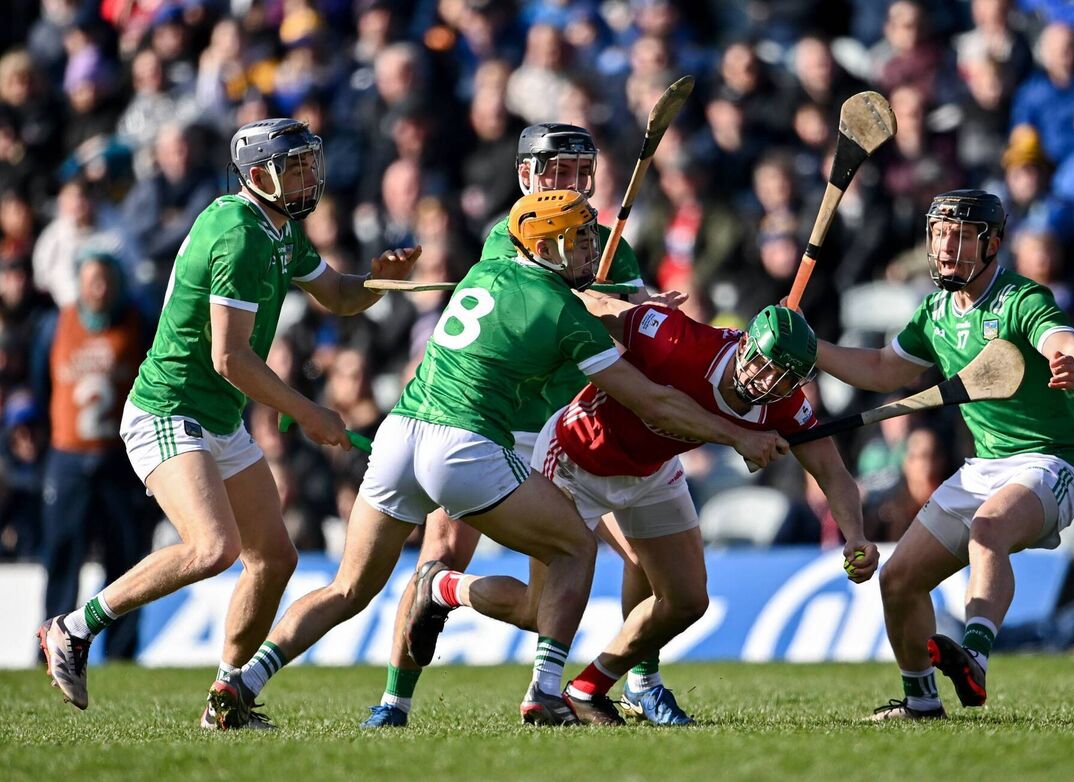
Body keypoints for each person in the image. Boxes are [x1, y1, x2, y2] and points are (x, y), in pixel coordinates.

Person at [229, 189, 789, 729]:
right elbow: (652, 399)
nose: (590, 249)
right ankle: (545, 693)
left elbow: (558, 299)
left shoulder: (485, 266)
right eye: (577, 240)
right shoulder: (565, 313)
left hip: (401, 433)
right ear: (544, 248)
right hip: (463, 445)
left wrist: (621, 304)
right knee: (573, 546)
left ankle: (239, 682)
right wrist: (734, 433)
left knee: (347, 589)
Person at [37, 118, 419, 727]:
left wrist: (381, 280)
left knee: (274, 558)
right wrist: (308, 412)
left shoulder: (280, 230)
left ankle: (227, 697)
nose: (307, 177)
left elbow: (341, 294)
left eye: (307, 164)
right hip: (170, 409)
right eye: (294, 166)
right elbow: (229, 357)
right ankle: (74, 628)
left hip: (215, 417)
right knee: (214, 548)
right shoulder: (239, 235)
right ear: (257, 173)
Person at [407, 299, 879, 725]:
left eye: (782, 379)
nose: (765, 382)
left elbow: (832, 473)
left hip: (652, 471)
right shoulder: (677, 339)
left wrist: (855, 535)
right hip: (576, 459)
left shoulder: (783, 404)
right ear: (744, 342)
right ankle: (444, 587)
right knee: (537, 610)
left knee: (687, 599)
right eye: (761, 364)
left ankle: (589, 687)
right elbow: (594, 310)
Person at [363, 123, 666, 730]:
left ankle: (635, 682)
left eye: (582, 173)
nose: (571, 185)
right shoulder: (512, 238)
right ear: (527, 176)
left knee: (636, 561)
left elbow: (638, 333)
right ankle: (395, 702)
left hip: (573, 430)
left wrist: (655, 314)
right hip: (495, 424)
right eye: (557, 172)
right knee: (443, 549)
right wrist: (614, 304)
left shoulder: (611, 244)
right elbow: (568, 307)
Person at [811, 190, 1074, 720]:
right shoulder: (936, 311)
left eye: (962, 235)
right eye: (940, 233)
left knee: (989, 530)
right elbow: (880, 369)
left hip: (1051, 462)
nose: (946, 246)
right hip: (984, 468)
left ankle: (977, 658)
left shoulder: (1020, 299)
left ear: (992, 244)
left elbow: (1067, 343)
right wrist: (813, 348)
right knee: (898, 581)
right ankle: (921, 700)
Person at [40, 252, 148, 661]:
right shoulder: (55, 324)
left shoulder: (138, 322)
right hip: (67, 458)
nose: (98, 289)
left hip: (119, 460)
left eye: (105, 280)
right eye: (91, 280)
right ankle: (51, 644)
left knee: (124, 555)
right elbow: (40, 382)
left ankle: (121, 652)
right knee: (62, 555)